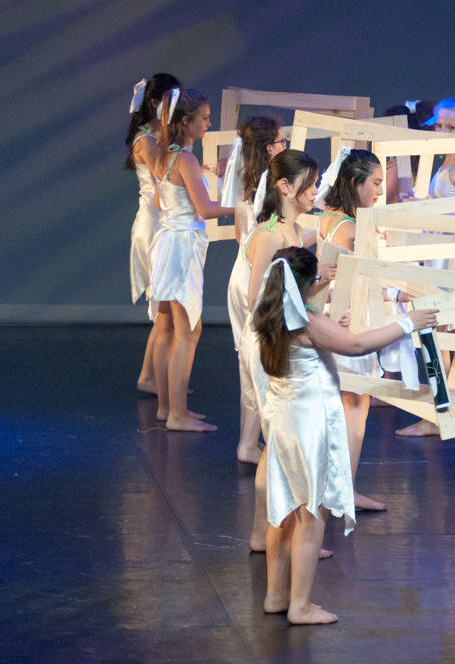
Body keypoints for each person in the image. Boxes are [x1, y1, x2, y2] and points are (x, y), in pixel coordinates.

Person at [254, 246, 438, 624]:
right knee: (312, 514)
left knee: (283, 512)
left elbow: (330, 337)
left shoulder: (271, 314)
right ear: (306, 284)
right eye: (318, 279)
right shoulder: (306, 321)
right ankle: (300, 606)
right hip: (309, 424)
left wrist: (332, 325)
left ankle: (275, 597)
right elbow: (355, 346)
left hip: (283, 421)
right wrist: (408, 322)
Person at [238, 150, 334, 552]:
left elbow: (287, 292)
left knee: (279, 443)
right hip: (271, 343)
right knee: (281, 441)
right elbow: (257, 300)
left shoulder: (291, 231)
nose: (314, 192)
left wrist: (317, 284)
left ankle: (270, 535)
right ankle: (277, 536)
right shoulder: (271, 236)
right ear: (285, 186)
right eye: (309, 185)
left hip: (282, 340)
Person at [396, 97, 455, 437]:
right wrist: (422, 204)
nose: (442, 132)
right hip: (445, 253)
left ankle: (441, 416)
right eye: (439, 125)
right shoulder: (449, 161)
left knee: (440, 337)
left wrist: (427, 209)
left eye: (451, 127)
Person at [148, 88, 236, 431]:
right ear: (186, 121)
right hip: (182, 248)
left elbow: (161, 202)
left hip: (167, 244)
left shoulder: (164, 156)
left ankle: (166, 408)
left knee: (167, 327)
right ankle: (177, 414)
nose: (209, 124)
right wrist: (243, 206)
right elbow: (205, 209)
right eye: (204, 118)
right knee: (188, 330)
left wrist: (202, 178)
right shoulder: (184, 159)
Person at [314, 149, 387, 510]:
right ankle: (344, 492)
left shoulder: (330, 217)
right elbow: (355, 279)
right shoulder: (348, 227)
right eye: (376, 182)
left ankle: (335, 488)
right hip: (348, 318)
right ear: (356, 182)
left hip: (335, 314)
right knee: (356, 402)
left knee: (344, 403)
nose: (380, 190)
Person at [224, 117, 287, 464]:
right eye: (281, 141)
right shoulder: (272, 183)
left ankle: (248, 443)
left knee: (247, 360)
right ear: (269, 147)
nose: (285, 145)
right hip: (256, 272)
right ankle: (252, 444)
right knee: (258, 361)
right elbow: (273, 235)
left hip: (241, 269)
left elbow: (240, 234)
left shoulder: (243, 176)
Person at [126, 73, 181, 394]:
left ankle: (156, 376)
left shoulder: (162, 136)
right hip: (154, 225)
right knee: (165, 311)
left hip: (166, 222)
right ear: (155, 102)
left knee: (169, 309)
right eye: (172, 100)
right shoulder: (146, 140)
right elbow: (166, 176)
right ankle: (153, 378)